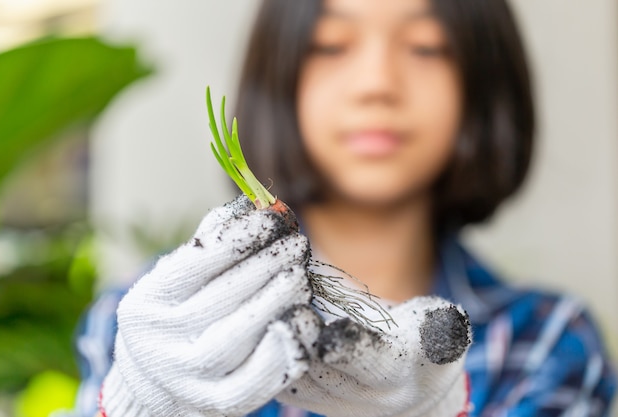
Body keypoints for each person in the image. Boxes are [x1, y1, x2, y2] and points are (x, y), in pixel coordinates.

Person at [73, 0, 617, 416]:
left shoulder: (542, 338)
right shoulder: (156, 322)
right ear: (280, 77)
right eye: (331, 45)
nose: (377, 84)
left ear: (481, 86)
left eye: (427, 46)